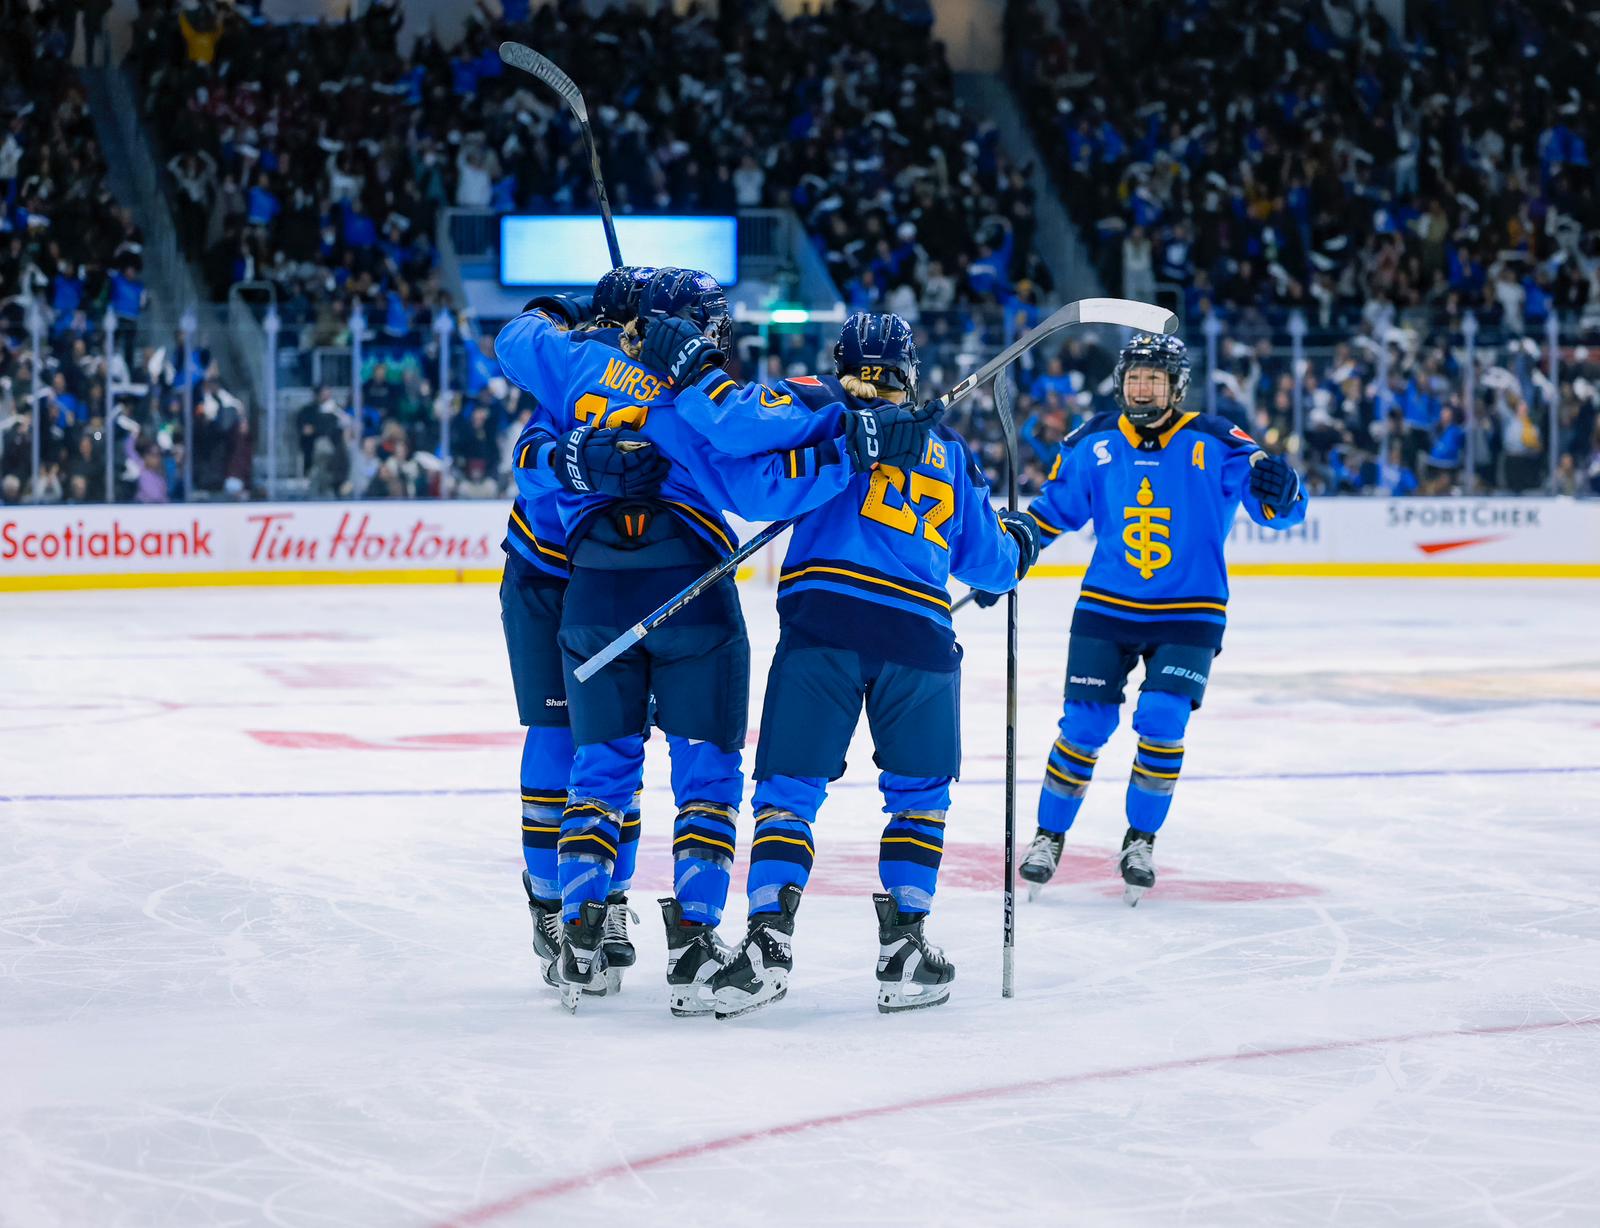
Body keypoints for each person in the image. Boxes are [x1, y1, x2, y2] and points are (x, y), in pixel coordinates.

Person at [497, 268, 928, 1013]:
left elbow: (516, 341)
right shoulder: (701, 400)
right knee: (707, 774)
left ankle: (579, 941)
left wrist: (569, 312)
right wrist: (855, 439)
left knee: (599, 768)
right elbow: (756, 480)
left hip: (593, 588)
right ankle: (695, 945)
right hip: (690, 590)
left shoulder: (577, 365)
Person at [671, 313, 1037, 1017]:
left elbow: (751, 474)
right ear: (909, 370)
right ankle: (904, 948)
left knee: (788, 792)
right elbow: (991, 566)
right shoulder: (948, 449)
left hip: (825, 626)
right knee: (920, 797)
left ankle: (767, 944)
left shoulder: (820, 411)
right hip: (922, 640)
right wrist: (1019, 544)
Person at [989, 333, 1306, 904]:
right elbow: (1054, 510)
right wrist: (1012, 549)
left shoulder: (1219, 441)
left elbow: (1278, 511)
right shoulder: (1094, 440)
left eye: (1154, 378)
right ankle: (1047, 836)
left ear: (1175, 386)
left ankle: (1140, 839)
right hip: (1107, 606)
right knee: (1084, 726)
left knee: (1162, 718)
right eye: (1135, 376)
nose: (1142, 386)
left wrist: (1288, 493)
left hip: (1192, 611)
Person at [498, 266, 662, 997]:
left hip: (616, 576)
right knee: (560, 734)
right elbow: (529, 459)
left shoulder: (665, 381)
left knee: (614, 741)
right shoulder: (576, 367)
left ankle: (609, 897)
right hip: (546, 576)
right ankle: (548, 906)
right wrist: (577, 461)